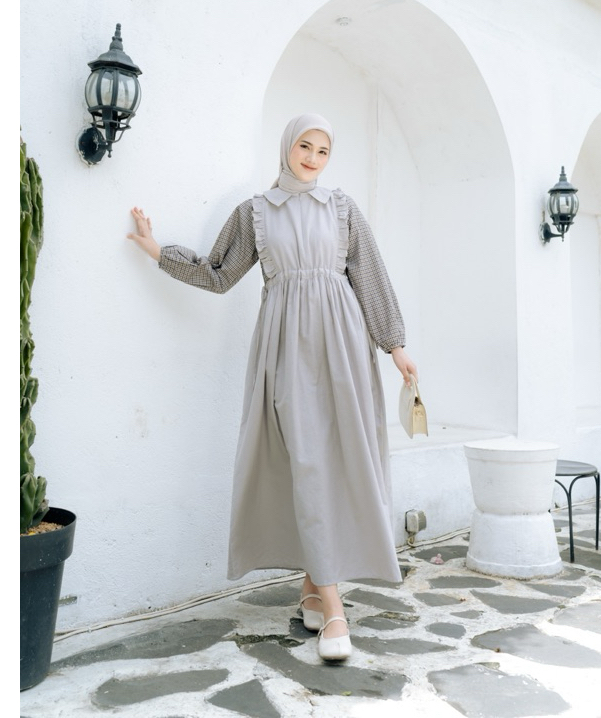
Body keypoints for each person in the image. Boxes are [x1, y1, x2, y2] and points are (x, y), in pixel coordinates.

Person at [128, 113, 418, 662]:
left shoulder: (343, 209)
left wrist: (395, 345)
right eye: (304, 146)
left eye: (323, 151)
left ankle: (313, 588)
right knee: (305, 462)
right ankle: (333, 606)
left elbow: (371, 278)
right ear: (287, 147)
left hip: (344, 347)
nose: (312, 158)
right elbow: (218, 273)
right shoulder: (256, 212)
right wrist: (160, 252)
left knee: (334, 461)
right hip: (286, 349)